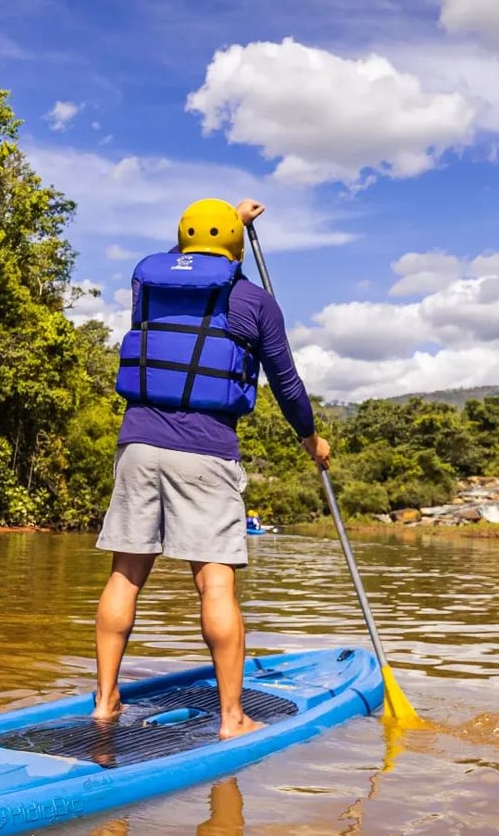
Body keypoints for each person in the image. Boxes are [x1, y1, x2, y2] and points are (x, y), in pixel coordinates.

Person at [93, 197, 330, 739]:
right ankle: (232, 717)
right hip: (206, 450)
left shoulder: (147, 286)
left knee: (124, 575)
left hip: (137, 445)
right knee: (216, 584)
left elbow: (186, 262)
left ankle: (105, 702)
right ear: (236, 250)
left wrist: (227, 223)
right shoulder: (256, 302)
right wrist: (310, 437)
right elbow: (286, 383)